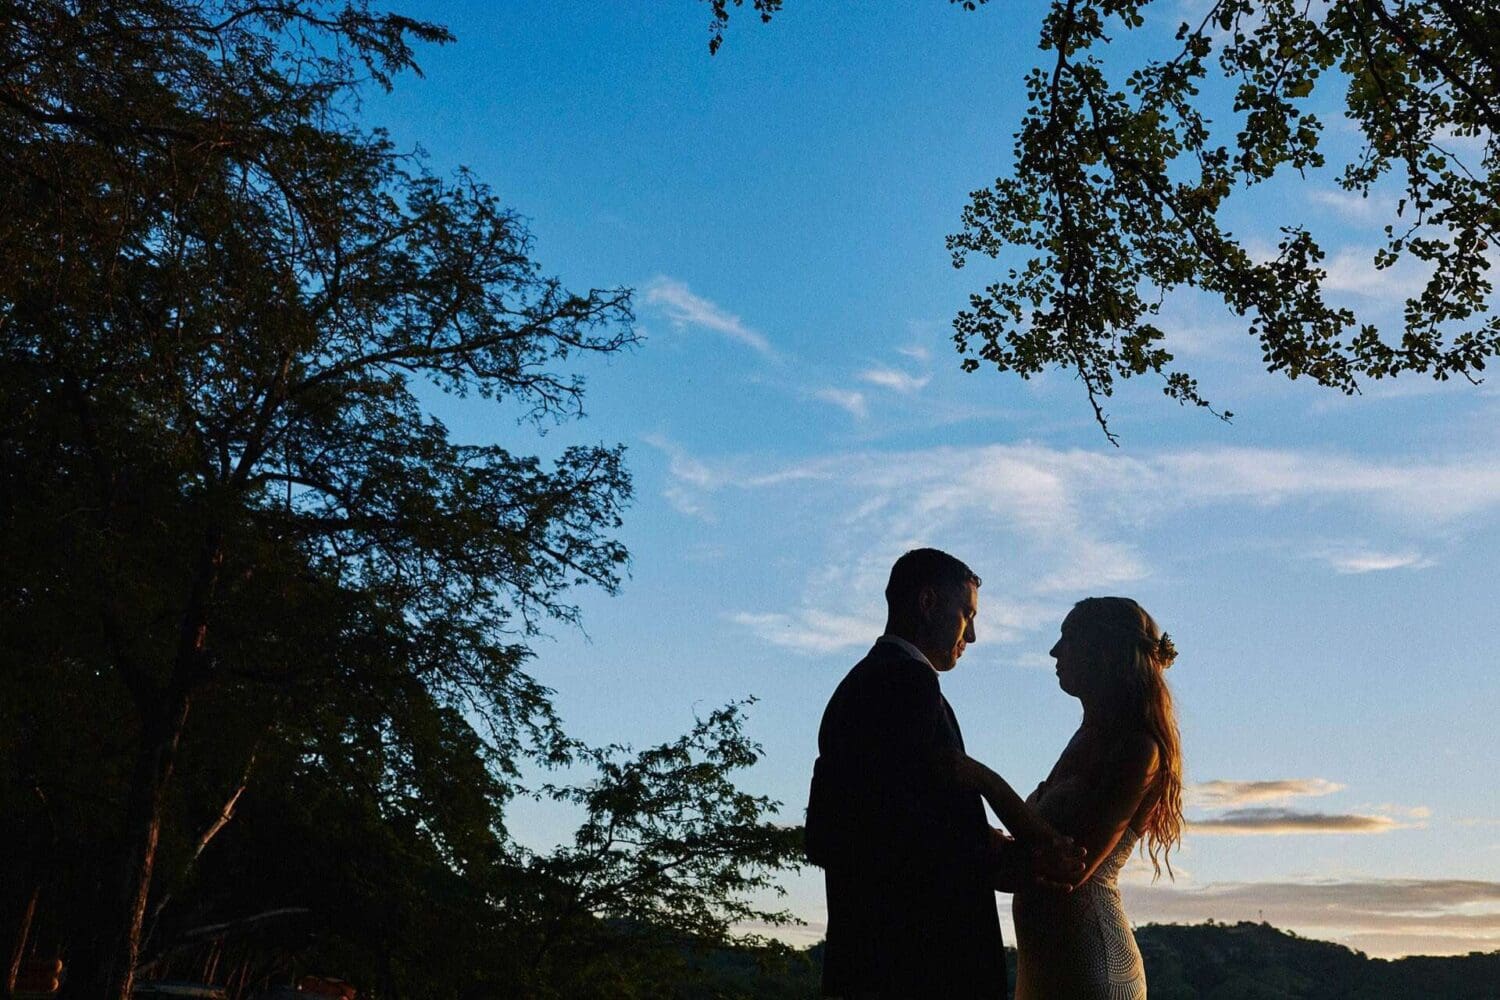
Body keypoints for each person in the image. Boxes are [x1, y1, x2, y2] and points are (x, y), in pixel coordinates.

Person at [806, 548, 1081, 999]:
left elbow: (875, 814)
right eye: (966, 615)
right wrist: (1005, 857)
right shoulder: (907, 684)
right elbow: (900, 831)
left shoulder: (863, 683)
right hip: (920, 962)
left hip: (871, 958)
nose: (971, 635)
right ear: (927, 602)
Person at [964, 596, 1184, 1000]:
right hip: (1045, 967)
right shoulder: (1085, 739)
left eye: (1068, 637)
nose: (1054, 651)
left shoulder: (1139, 750)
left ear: (1104, 651)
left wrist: (983, 779)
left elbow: (1071, 870)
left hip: (1092, 965)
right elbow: (1033, 866)